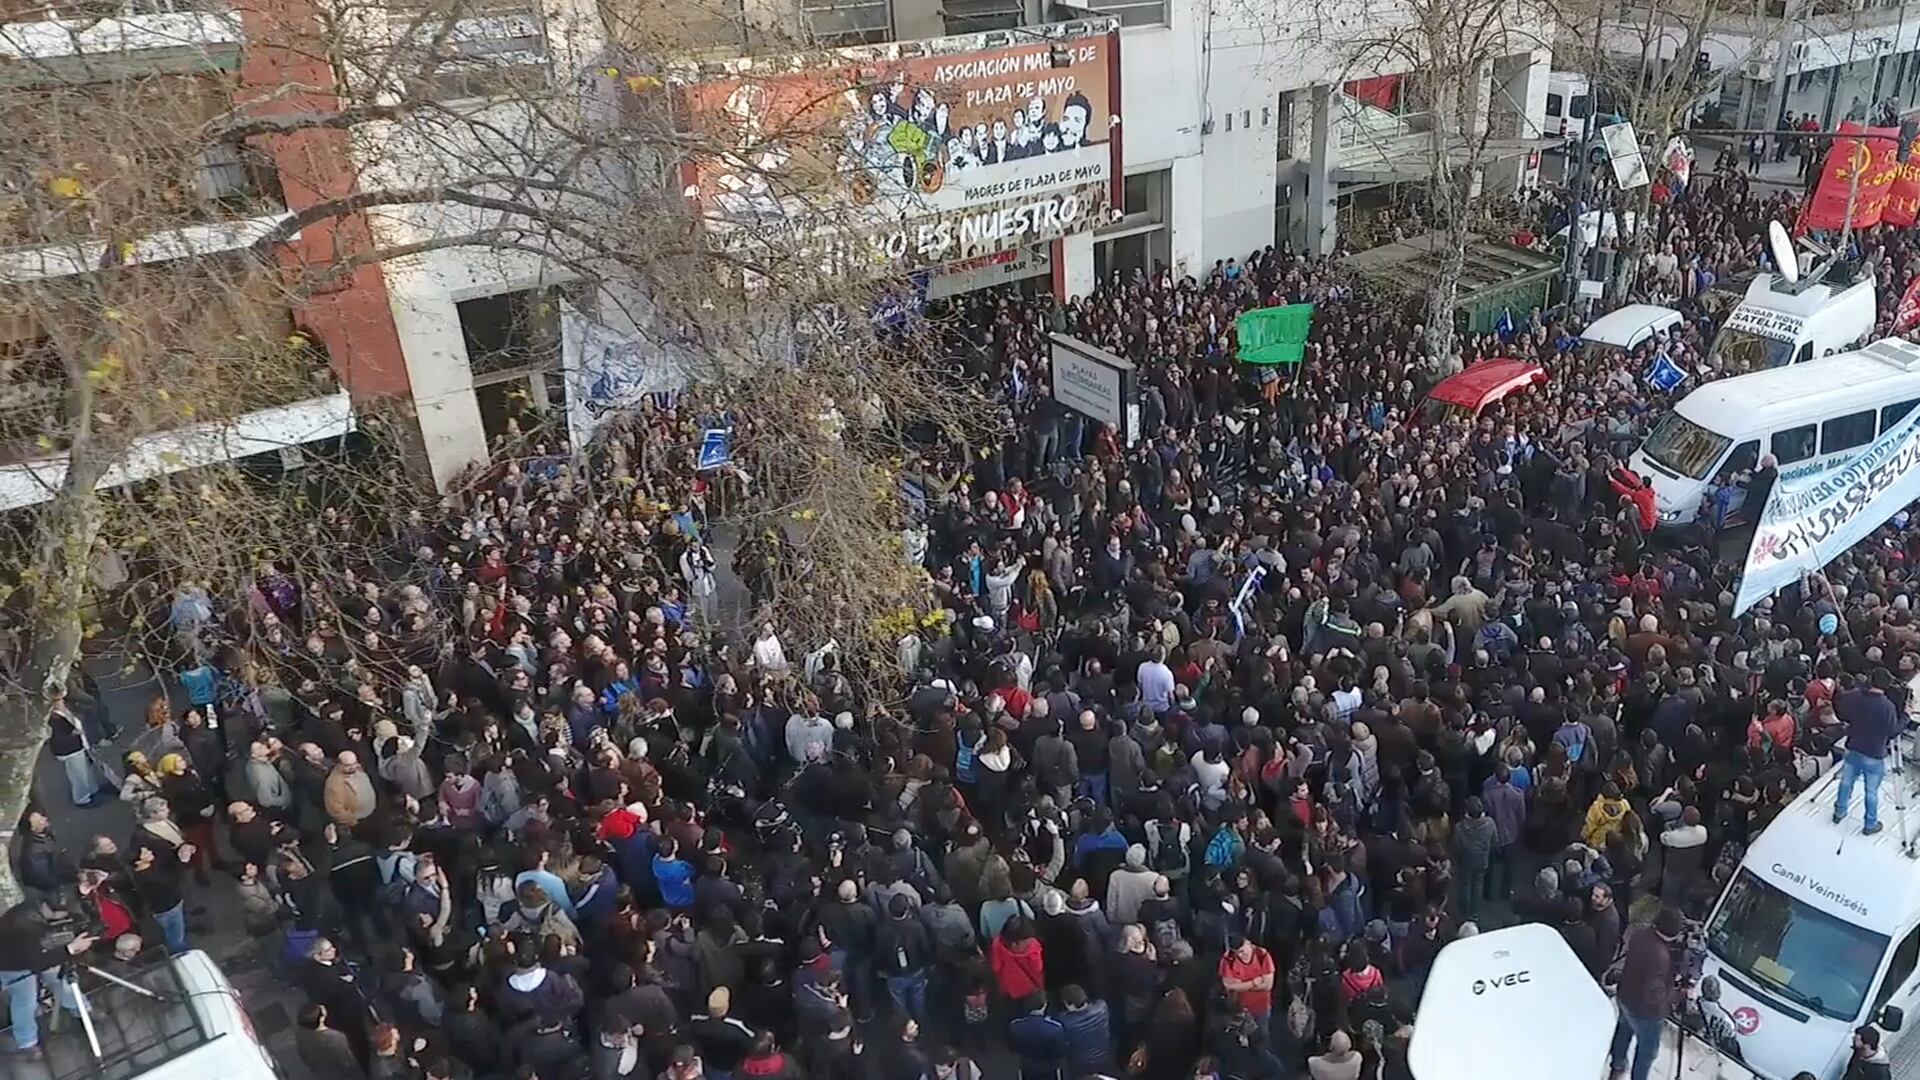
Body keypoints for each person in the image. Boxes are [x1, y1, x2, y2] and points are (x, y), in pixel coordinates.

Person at [0, 896, 95, 1057]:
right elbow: (36, 960)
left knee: (60, 981)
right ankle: (27, 1042)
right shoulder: (25, 925)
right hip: (12, 965)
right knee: (25, 1000)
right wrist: (69, 950)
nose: (62, 917)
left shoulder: (31, 912)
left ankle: (82, 1010)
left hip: (35, 953)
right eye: (60, 914)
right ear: (46, 907)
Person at [1610, 907, 1684, 1080]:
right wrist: (1680, 994)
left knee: (1623, 1032)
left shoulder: (1640, 934)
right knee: (1646, 1052)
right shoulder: (1660, 957)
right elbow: (1654, 995)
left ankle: (1617, 1066)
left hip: (1625, 996)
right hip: (1645, 1013)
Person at [1835, 669, 1904, 835]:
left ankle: (1839, 811)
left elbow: (1842, 709)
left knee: (1846, 782)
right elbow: (1893, 731)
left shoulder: (1856, 697)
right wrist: (1906, 716)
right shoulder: (1888, 706)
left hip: (1853, 748)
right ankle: (1870, 823)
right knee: (1871, 791)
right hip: (1874, 753)